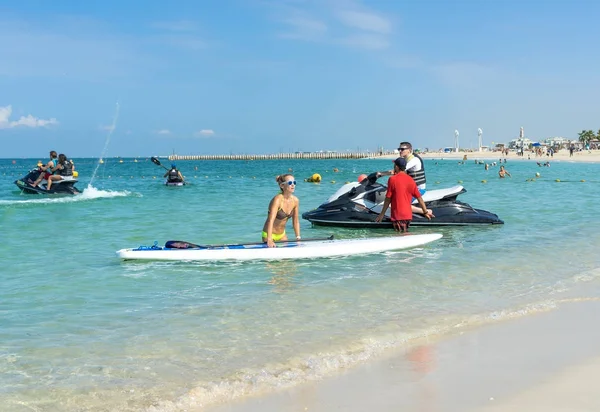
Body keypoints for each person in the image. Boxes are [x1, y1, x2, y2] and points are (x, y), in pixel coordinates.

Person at [375, 158, 432, 232]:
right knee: (404, 234)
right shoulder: (411, 180)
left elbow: (388, 199)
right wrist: (425, 212)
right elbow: (419, 198)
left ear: (397, 167)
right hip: (408, 215)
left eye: (394, 165)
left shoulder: (392, 179)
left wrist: (382, 214)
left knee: (401, 236)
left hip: (398, 216)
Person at [262, 174, 301, 247]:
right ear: (282, 186)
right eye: (290, 183)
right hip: (269, 234)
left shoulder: (295, 200)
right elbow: (271, 220)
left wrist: (298, 238)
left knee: (287, 258)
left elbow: (295, 221)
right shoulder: (277, 200)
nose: (293, 185)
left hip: (282, 234)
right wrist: (269, 239)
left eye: (294, 183)